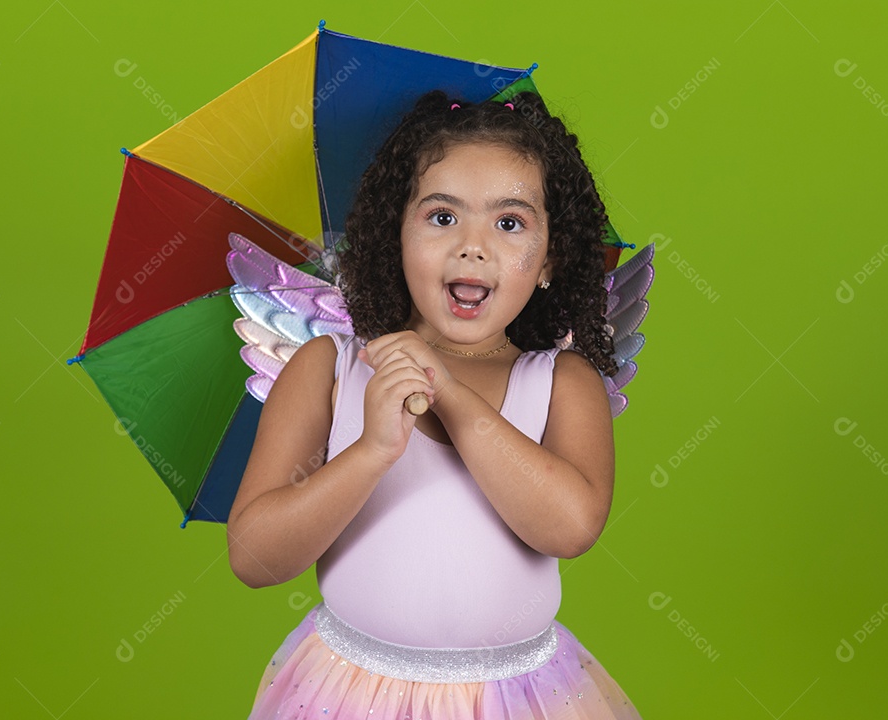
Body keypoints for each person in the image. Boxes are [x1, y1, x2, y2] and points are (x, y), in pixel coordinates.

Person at [227, 89, 643, 719]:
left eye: (509, 223)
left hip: (518, 699)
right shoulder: (331, 370)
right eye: (442, 216)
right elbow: (254, 558)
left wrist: (448, 393)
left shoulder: (562, 381)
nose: (472, 247)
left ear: (551, 259)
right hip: (348, 694)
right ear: (395, 233)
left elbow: (571, 526)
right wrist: (371, 452)